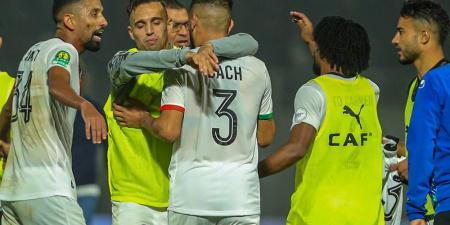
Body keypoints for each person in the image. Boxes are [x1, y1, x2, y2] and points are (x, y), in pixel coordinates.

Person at [113, 0, 275, 224]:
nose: (181, 31)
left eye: (183, 24)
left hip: (187, 195)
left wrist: (143, 119)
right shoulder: (256, 68)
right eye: (142, 25)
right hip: (236, 196)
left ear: (193, 23)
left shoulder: (182, 69)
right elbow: (265, 137)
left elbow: (169, 130)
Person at [258, 12, 383, 225]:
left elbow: (296, 149)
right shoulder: (371, 90)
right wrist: (311, 40)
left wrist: (250, 173)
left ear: (324, 51)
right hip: (368, 216)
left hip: (318, 215)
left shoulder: (313, 92)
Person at [0, 0, 108, 224]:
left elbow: (9, 108)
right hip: (48, 190)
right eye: (94, 14)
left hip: (13, 194)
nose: (103, 21)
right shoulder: (64, 50)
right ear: (70, 21)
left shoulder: (32, 53)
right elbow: (56, 84)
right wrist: (84, 104)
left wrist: (2, 138)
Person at [391, 0, 450, 224]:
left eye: (401, 32)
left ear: (424, 36)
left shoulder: (432, 83)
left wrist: (415, 210)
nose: (395, 40)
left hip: (439, 208)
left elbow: (424, 147)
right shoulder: (420, 85)